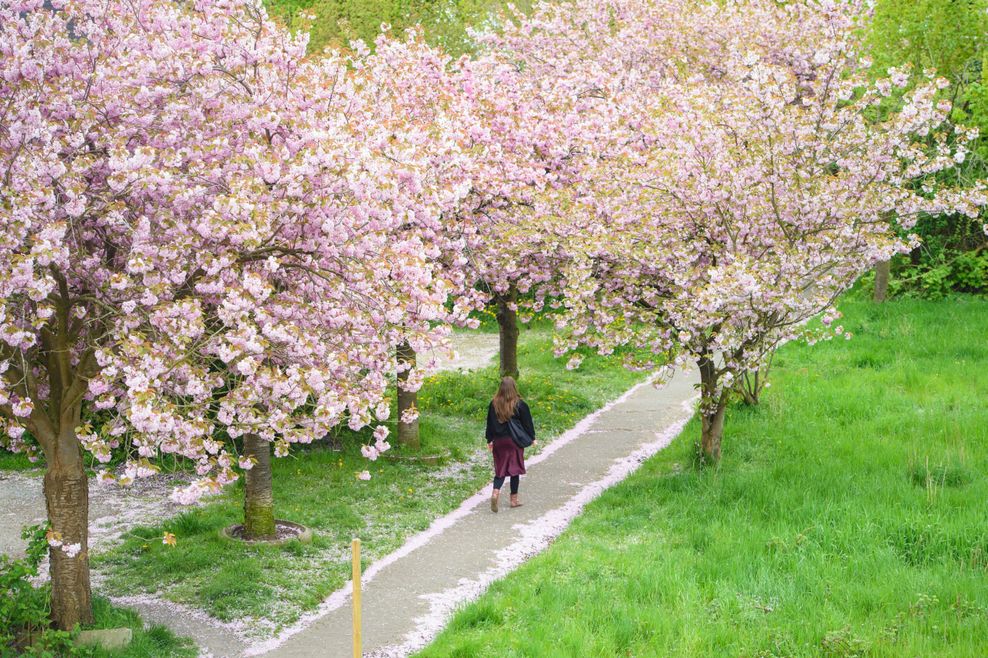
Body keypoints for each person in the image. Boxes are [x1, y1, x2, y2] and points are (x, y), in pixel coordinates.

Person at [485, 376, 535, 513]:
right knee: (514, 470)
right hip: (514, 441)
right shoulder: (520, 404)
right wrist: (532, 437)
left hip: (499, 441)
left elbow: (489, 424)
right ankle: (514, 500)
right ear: (514, 388)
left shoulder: (493, 403)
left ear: (500, 388)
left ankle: (495, 492)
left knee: (500, 470)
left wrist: (489, 440)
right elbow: (527, 423)